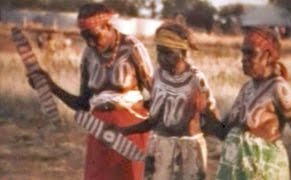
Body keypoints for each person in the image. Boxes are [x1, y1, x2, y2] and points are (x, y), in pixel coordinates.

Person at [29, 3, 154, 180]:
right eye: (85, 37)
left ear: (108, 26)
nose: (90, 43)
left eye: (94, 36)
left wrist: (135, 121)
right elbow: (82, 104)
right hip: (100, 131)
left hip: (131, 130)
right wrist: (51, 86)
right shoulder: (88, 54)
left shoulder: (132, 48)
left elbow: (158, 96)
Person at [119, 21, 222, 180]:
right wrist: (125, 130)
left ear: (182, 52)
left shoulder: (196, 79)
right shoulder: (158, 76)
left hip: (189, 150)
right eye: (159, 52)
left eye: (168, 53)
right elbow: (153, 120)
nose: (161, 58)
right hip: (160, 147)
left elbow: (212, 116)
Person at [216, 27, 291, 180]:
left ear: (268, 56)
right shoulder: (247, 88)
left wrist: (286, 169)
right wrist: (203, 110)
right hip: (236, 172)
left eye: (251, 53)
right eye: (243, 52)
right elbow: (224, 131)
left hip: (264, 173)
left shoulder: (278, 88)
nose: (243, 58)